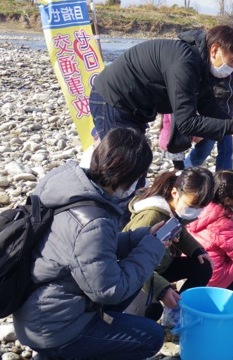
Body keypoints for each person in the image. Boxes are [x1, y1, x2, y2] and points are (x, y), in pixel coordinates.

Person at [13, 127, 167, 360]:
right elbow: (110, 291)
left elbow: (88, 249)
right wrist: (153, 248)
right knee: (151, 337)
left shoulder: (69, 185)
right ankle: (61, 353)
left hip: (36, 306)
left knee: (132, 276)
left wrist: (141, 238)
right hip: (55, 327)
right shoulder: (92, 221)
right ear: (128, 179)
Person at [89, 25, 233, 153]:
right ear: (215, 50)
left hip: (135, 108)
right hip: (112, 100)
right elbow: (186, 122)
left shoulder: (200, 62)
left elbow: (206, 103)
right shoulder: (185, 62)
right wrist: (232, 125)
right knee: (121, 165)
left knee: (135, 162)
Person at [123, 167, 215, 325]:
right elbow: (128, 261)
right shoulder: (152, 216)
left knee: (203, 265)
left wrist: (197, 250)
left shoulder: (175, 210)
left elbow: (180, 230)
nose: (196, 212)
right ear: (175, 193)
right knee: (151, 311)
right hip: (135, 275)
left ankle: (177, 308)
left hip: (161, 265)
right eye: (193, 206)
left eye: (201, 208)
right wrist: (162, 289)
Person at [185, 19, 233, 170]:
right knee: (204, 148)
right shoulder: (215, 56)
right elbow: (206, 87)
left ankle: (224, 184)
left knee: (227, 150)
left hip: (227, 109)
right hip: (212, 109)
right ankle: (181, 173)